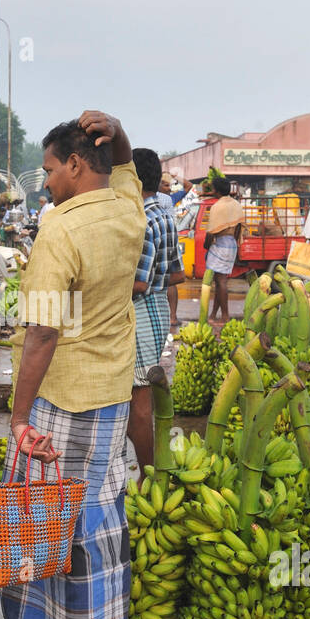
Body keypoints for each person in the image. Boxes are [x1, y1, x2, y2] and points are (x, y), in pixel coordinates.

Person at [6, 110, 145, 619]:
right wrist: (120, 128)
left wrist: (17, 414)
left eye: (50, 170)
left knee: (73, 535)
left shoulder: (61, 229)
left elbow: (42, 333)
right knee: (108, 522)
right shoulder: (127, 208)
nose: (46, 184)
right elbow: (130, 167)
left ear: (77, 164)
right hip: (112, 390)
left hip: (67, 397)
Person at [128, 148, 185, 471]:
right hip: (158, 309)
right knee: (138, 397)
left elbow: (138, 284)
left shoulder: (144, 220)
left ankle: (148, 473)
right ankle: (149, 468)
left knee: (139, 403)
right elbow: (178, 274)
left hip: (142, 314)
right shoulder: (164, 214)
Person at [203, 178, 243, 322]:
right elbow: (239, 227)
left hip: (220, 243)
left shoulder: (217, 206)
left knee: (221, 282)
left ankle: (225, 315)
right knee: (219, 281)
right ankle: (214, 314)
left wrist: (207, 246)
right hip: (232, 242)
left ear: (217, 190)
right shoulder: (236, 205)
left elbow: (210, 231)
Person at [157, 172, 180, 328]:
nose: (169, 188)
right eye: (166, 184)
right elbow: (172, 222)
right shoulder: (166, 199)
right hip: (167, 241)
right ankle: (172, 316)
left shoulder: (136, 195)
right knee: (169, 279)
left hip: (151, 240)